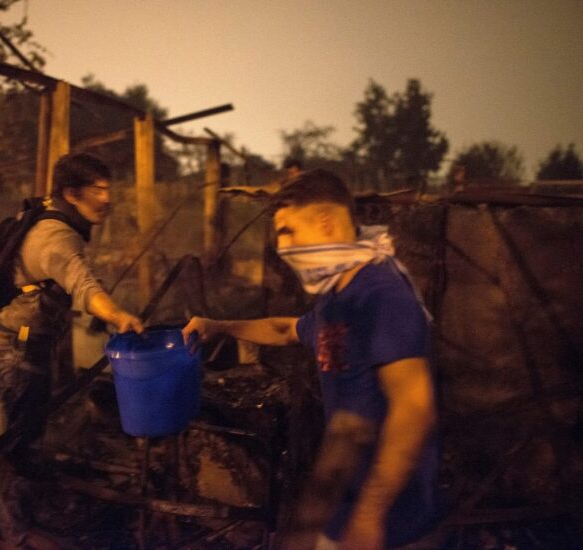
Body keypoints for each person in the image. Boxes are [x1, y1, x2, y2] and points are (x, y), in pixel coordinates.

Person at [183, 169, 439, 549]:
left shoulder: (381, 295)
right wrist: (217, 325)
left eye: (288, 231)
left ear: (326, 223)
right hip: (345, 500)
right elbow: (285, 330)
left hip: (391, 519)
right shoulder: (337, 295)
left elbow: (414, 408)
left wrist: (370, 516)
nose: (282, 247)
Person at [0, 152, 143, 548]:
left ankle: (25, 512)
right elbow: (83, 284)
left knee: (30, 432)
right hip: (19, 347)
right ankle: (14, 534)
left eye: (110, 188)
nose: (108, 198)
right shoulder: (56, 237)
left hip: (31, 342)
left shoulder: (61, 223)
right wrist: (117, 315)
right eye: (100, 190)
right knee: (20, 441)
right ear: (72, 193)